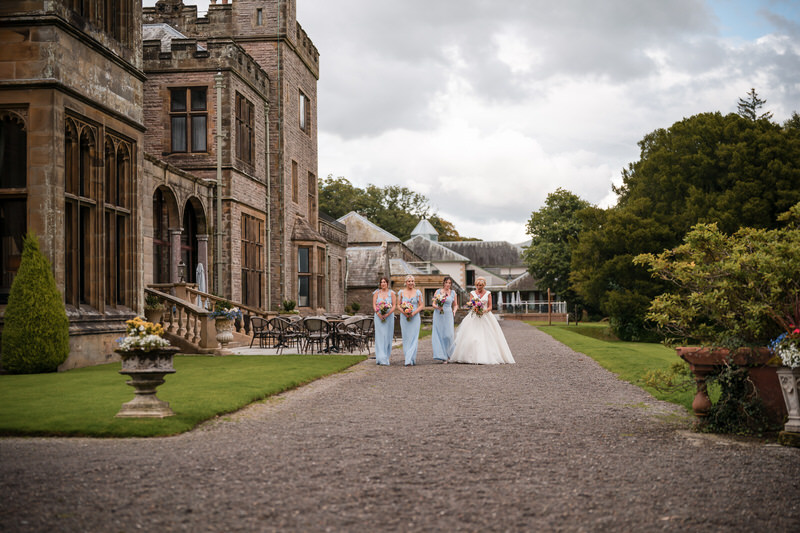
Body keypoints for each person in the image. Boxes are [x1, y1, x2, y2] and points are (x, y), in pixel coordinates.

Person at [450, 276, 515, 364]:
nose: (478, 287)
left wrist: (484, 311)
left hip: (485, 316)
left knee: (488, 336)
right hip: (474, 316)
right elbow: (470, 304)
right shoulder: (472, 293)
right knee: (471, 336)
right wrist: (475, 308)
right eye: (477, 285)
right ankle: (469, 356)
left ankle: (487, 356)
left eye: (480, 285)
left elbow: (490, 307)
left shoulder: (488, 293)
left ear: (483, 285)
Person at [397, 274, 423, 366]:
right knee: (406, 338)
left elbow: (421, 305)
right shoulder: (401, 292)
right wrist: (404, 313)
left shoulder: (418, 292)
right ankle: (408, 358)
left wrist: (413, 313)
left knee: (414, 337)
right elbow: (398, 305)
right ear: (406, 283)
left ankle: (411, 359)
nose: (411, 283)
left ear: (414, 282)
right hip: (404, 318)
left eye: (412, 281)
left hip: (415, 317)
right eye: (409, 281)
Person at [431, 276, 458, 363]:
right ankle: (443, 356)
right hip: (439, 314)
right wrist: (438, 307)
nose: (448, 284)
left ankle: (450, 354)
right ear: (443, 283)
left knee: (449, 335)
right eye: (446, 282)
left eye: (449, 283)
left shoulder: (453, 293)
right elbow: (433, 304)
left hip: (448, 314)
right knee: (440, 334)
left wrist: (454, 311)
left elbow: (456, 304)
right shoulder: (438, 292)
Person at [372, 276, 396, 365]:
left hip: (389, 317)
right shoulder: (376, 293)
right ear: (380, 284)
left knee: (387, 336)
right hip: (378, 317)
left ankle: (385, 356)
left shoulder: (392, 293)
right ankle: (380, 357)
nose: (383, 284)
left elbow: (394, 306)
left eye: (384, 282)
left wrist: (387, 314)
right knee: (380, 336)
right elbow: (374, 304)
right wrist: (378, 313)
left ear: (387, 283)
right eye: (381, 282)